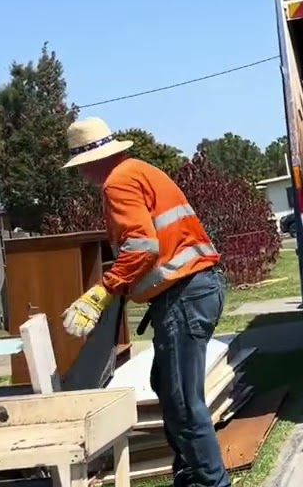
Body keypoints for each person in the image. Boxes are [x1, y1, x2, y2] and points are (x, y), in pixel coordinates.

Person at [60, 117, 231, 487]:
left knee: (184, 403)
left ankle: (210, 483)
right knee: (169, 389)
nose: (82, 175)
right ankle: (191, 476)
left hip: (185, 296)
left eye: (80, 167)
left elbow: (142, 246)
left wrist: (105, 289)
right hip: (194, 292)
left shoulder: (118, 182)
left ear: (89, 162)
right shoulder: (138, 171)